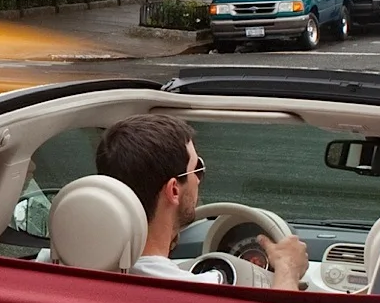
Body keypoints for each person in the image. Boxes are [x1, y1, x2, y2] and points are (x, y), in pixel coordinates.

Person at [94, 111, 308, 290]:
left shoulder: (77, 272)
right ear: (174, 190)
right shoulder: (200, 293)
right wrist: (288, 269)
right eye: (198, 168)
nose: (198, 179)